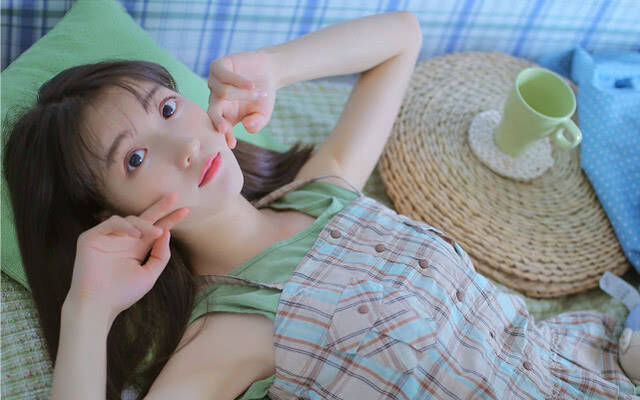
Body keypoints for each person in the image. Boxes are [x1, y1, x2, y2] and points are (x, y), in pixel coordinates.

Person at [2, 10, 637, 400]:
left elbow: (401, 37)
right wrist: (87, 310)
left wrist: (272, 68)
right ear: (110, 217)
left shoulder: (323, 190)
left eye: (168, 108)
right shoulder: (226, 337)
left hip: (600, 357)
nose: (186, 146)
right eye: (136, 159)